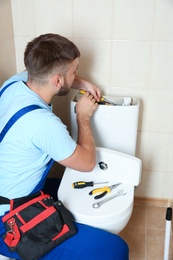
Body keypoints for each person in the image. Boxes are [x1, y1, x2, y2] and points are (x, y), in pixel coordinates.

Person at [0, 33, 129, 259]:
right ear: (58, 81)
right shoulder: (44, 125)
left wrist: (82, 83)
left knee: (75, 192)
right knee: (116, 250)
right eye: (74, 71)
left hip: (11, 189)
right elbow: (88, 163)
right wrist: (83, 117)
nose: (76, 75)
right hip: (7, 220)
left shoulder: (14, 84)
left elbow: (49, 78)